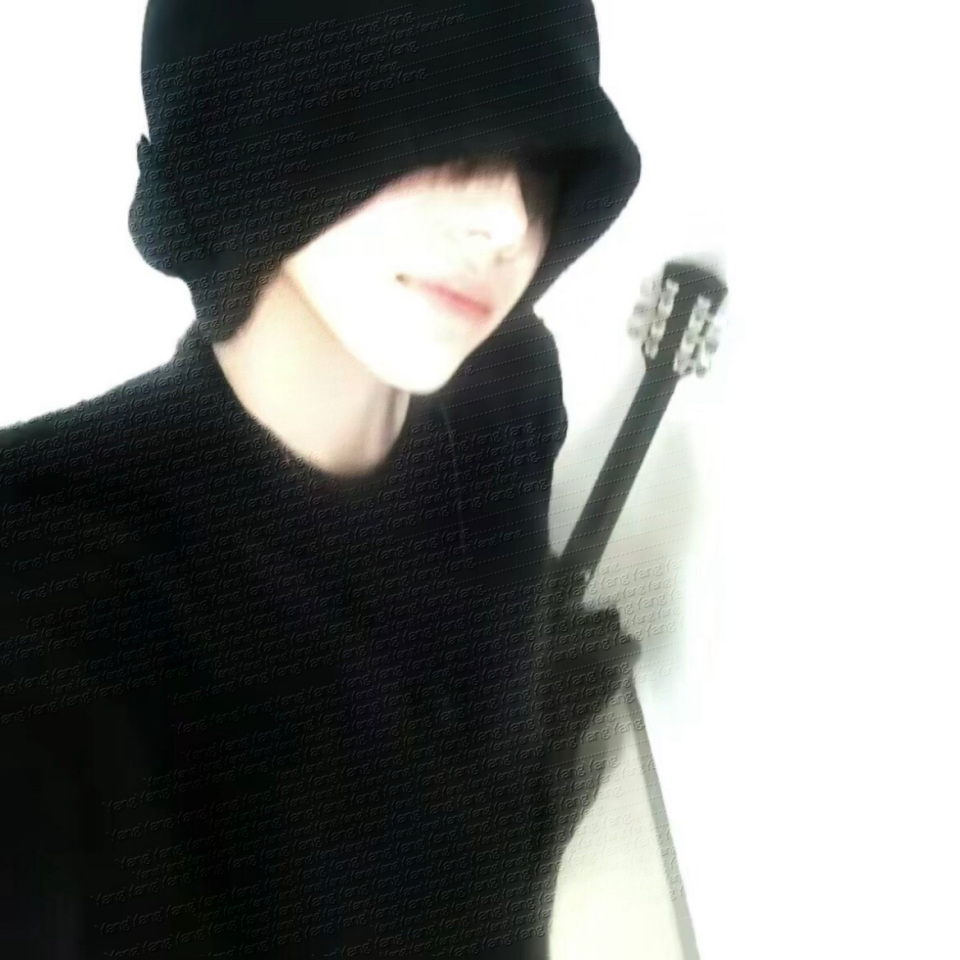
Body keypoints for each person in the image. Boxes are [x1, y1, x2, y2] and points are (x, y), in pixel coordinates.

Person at [0, 1, 641, 957]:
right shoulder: (51, 577)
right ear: (264, 123)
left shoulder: (510, 387)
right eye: (445, 123)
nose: (511, 218)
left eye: (542, 152)